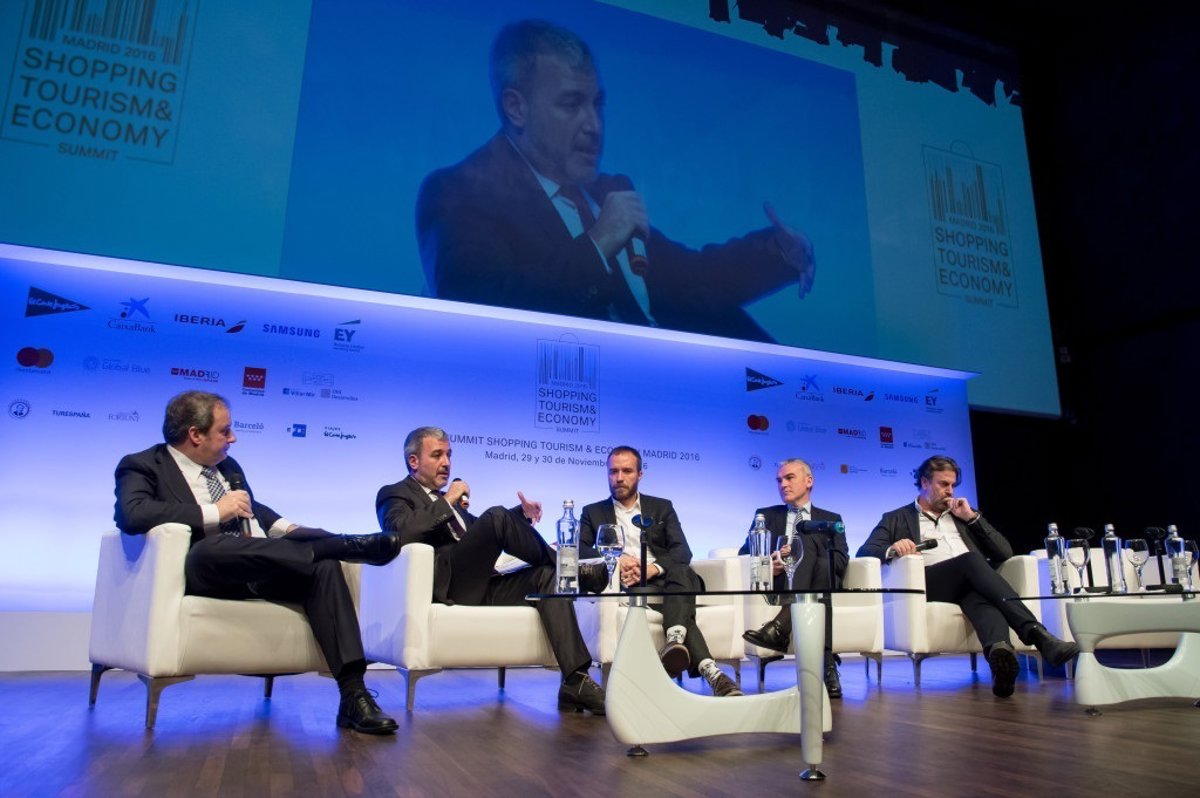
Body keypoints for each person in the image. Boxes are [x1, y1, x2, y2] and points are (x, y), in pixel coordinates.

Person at [416, 18, 817, 342]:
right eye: (571, 104)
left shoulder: (605, 194)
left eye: (598, 104)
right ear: (516, 108)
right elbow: (477, 311)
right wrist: (599, 242)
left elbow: (689, 280)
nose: (594, 125)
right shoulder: (458, 192)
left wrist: (777, 254)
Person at [113, 391, 401, 734]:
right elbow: (132, 514)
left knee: (324, 568)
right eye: (225, 431)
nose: (233, 438)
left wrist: (289, 528)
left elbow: (251, 508)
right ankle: (340, 546)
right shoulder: (143, 465)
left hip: (260, 565)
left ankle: (353, 695)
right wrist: (213, 512)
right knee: (210, 547)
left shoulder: (228, 467)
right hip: (208, 570)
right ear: (195, 434)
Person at [375, 426, 610, 714]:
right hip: (450, 587)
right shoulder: (394, 494)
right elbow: (400, 533)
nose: (446, 463)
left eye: (449, 455)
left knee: (546, 577)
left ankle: (575, 680)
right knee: (497, 516)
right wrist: (448, 500)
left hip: (484, 585)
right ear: (414, 461)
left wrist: (521, 515)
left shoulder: (449, 502)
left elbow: (481, 531)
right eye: (437, 455)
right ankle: (570, 569)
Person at [857, 456, 1079, 697]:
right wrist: (894, 548)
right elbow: (865, 551)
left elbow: (1004, 553)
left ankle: (1000, 656)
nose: (950, 491)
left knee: (978, 597)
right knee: (971, 560)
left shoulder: (963, 516)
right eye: (943, 484)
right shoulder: (896, 517)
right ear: (925, 482)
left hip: (968, 582)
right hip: (929, 583)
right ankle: (1038, 635)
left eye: (953, 485)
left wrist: (972, 518)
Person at [578, 446, 743, 697]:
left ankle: (677, 643)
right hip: (627, 584)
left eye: (626, 471)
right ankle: (707, 668)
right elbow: (579, 549)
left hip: (666, 580)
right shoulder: (593, 512)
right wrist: (617, 560)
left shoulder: (661, 507)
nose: (619, 478)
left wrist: (652, 568)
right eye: (613, 471)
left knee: (683, 572)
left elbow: (682, 550)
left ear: (640, 474)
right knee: (681, 606)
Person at [738, 458, 848, 697]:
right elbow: (744, 555)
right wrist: (770, 564)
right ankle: (827, 665)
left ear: (809, 481)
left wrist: (802, 552)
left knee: (816, 555)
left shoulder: (831, 519)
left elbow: (840, 563)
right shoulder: (765, 516)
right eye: (779, 480)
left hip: (820, 580)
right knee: (820, 579)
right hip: (779, 584)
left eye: (789, 478)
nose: (783, 485)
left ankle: (780, 627)